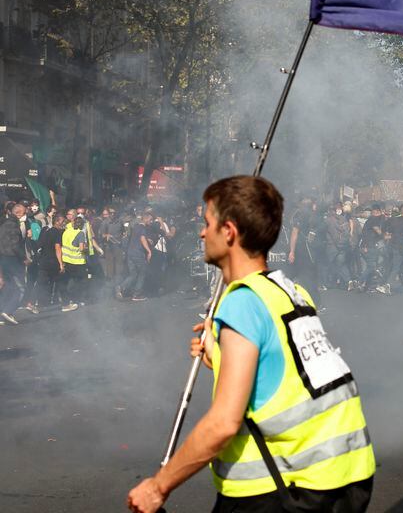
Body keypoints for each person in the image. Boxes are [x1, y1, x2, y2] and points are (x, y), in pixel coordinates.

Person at [127, 176, 375, 513]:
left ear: (228, 231)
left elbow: (223, 424)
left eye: (207, 223)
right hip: (344, 476)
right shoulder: (289, 291)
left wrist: (158, 486)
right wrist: (219, 354)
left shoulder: (242, 303)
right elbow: (282, 374)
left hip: (285, 489)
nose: (202, 233)